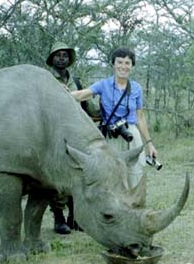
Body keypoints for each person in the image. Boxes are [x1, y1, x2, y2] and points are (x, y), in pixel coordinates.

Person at [71, 47, 157, 189]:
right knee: (112, 176)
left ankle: (135, 207)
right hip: (112, 136)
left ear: (132, 66)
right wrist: (62, 91)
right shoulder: (103, 85)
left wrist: (149, 144)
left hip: (131, 135)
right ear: (113, 64)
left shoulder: (136, 88)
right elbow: (81, 95)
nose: (123, 66)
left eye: (127, 63)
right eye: (120, 62)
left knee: (135, 175)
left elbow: (140, 118)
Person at [45, 41, 99, 234]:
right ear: (51, 58)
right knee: (57, 177)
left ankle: (74, 218)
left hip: (76, 134)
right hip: (52, 134)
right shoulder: (45, 80)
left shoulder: (75, 81)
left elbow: (88, 106)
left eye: (65, 55)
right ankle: (58, 219)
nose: (61, 58)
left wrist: (106, 110)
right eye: (58, 55)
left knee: (78, 174)